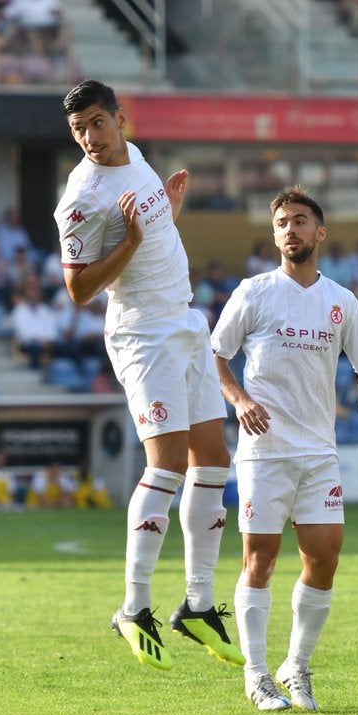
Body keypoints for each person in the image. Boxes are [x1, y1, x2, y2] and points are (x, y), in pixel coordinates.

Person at [54, 79, 239, 671]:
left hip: (185, 318)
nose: (90, 137)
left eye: (97, 123)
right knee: (168, 465)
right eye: (79, 128)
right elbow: (79, 289)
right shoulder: (80, 197)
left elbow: (151, 232)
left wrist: (166, 213)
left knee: (213, 461)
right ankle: (133, 607)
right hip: (142, 333)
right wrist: (133, 239)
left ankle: (198, 603)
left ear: (121, 119)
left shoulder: (135, 159)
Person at [212, 185, 358, 711]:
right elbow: (215, 355)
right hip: (264, 451)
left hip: (318, 452)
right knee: (260, 560)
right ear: (275, 234)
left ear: (320, 231)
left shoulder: (341, 300)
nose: (291, 229)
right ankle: (258, 675)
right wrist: (239, 399)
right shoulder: (253, 291)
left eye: (301, 220)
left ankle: (297, 665)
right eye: (283, 222)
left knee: (324, 559)